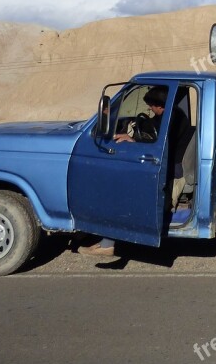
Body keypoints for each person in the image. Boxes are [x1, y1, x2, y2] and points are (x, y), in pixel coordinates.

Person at [80, 86, 191, 257]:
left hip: (169, 167)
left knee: (117, 192)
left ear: (160, 105)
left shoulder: (171, 118)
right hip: (168, 163)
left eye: (151, 106)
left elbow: (160, 142)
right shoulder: (171, 115)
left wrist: (133, 139)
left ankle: (108, 243)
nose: (149, 109)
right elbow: (152, 126)